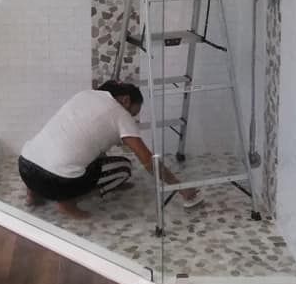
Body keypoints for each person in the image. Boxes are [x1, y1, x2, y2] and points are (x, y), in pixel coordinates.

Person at [17, 80, 198, 218]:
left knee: (61, 155)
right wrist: (180, 187)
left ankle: (32, 194)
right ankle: (67, 203)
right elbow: (148, 161)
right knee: (124, 168)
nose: (133, 118)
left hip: (25, 166)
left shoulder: (84, 94)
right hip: (59, 183)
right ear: (126, 100)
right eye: (133, 112)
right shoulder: (120, 114)